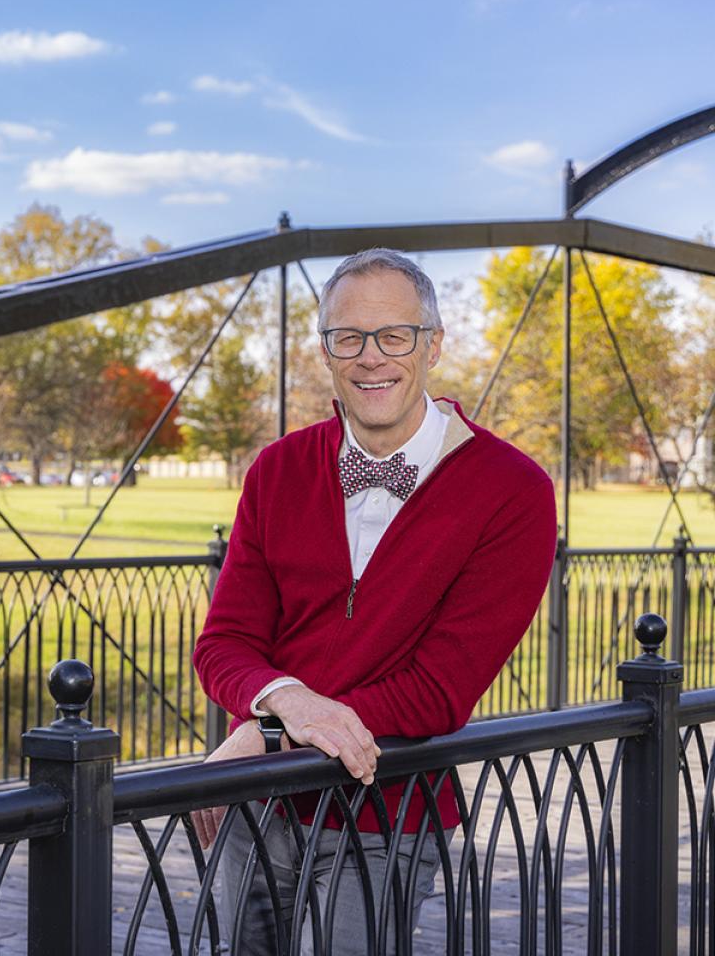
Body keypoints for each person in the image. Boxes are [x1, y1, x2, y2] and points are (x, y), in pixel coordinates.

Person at [191, 248, 556, 955]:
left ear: (434, 344)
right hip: (256, 805)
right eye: (347, 338)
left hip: (385, 808)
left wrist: (269, 728)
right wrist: (282, 709)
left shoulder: (512, 490)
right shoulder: (278, 469)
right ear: (326, 350)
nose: (370, 358)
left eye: (395, 335)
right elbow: (224, 643)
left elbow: (439, 691)